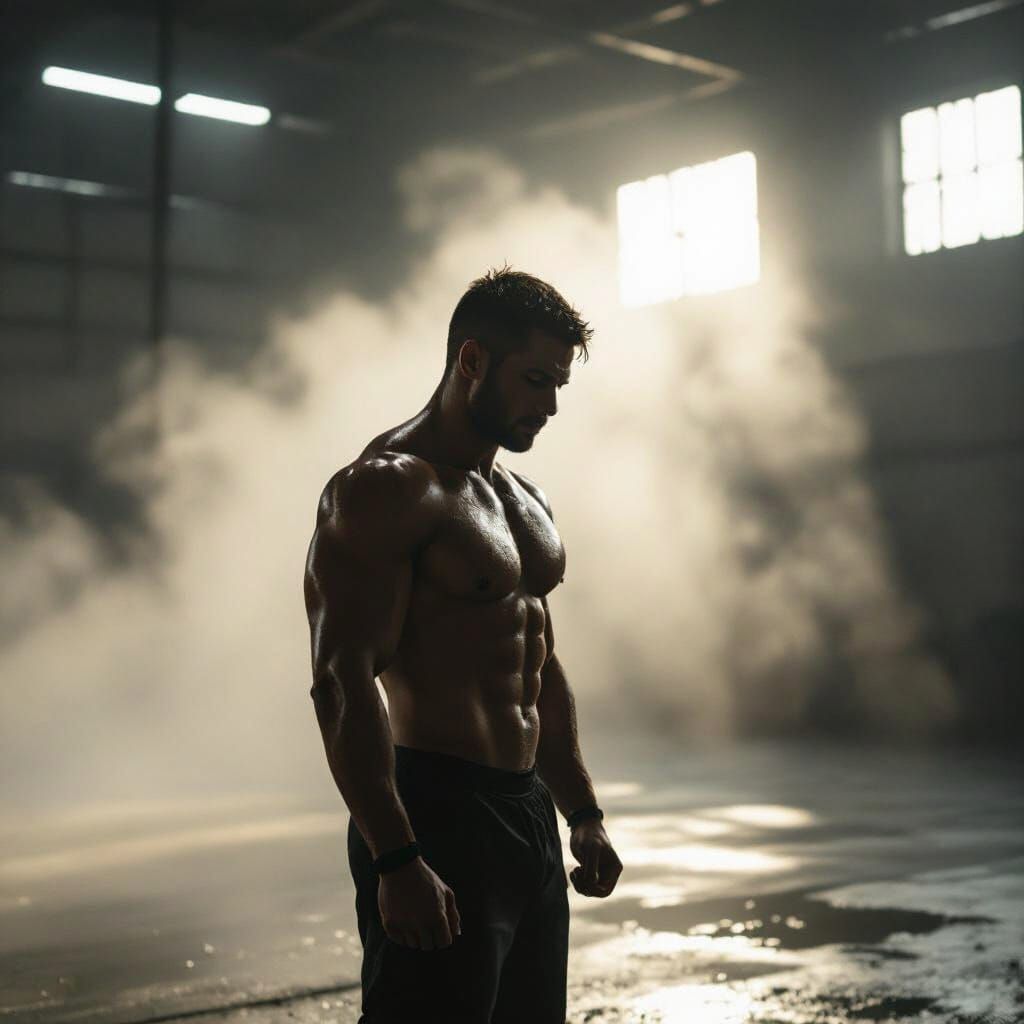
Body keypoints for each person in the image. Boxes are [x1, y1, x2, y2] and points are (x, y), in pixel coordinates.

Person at [303, 266, 623, 1023]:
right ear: (472, 360)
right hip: (436, 809)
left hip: (526, 811)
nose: (550, 406)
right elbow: (342, 680)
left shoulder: (522, 498)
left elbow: (538, 663)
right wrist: (396, 857)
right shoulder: (384, 489)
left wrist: (581, 811)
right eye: (535, 380)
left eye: (559, 385)